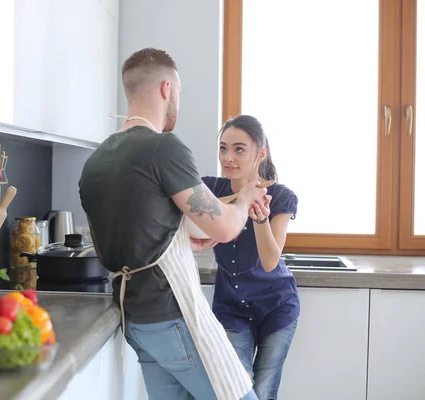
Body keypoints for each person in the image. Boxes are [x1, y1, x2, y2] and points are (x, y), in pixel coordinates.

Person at [79, 48, 267, 400]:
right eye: (178, 92)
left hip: (136, 319)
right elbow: (225, 228)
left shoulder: (97, 160)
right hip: (173, 315)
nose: (178, 100)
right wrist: (244, 200)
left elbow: (118, 240)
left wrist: (180, 238)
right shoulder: (163, 148)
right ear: (166, 88)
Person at [202, 115, 300, 400]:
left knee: (263, 390)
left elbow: (270, 261)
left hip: (276, 307)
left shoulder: (281, 197)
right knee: (235, 387)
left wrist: (260, 220)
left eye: (239, 149)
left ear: (261, 154)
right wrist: (241, 198)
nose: (228, 158)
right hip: (231, 306)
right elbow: (186, 213)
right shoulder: (209, 189)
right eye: (223, 148)